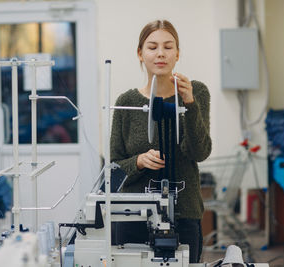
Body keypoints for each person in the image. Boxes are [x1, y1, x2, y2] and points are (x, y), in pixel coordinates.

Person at [110, 20, 211, 263]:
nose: (160, 54)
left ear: (178, 53)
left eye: (168, 47)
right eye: (152, 47)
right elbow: (113, 169)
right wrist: (139, 161)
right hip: (133, 215)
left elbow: (200, 152)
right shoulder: (127, 102)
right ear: (140, 53)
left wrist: (189, 105)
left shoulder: (196, 92)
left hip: (184, 214)